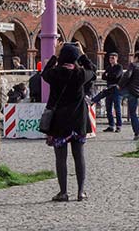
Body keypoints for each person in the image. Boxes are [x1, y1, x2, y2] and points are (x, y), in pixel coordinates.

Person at [41, 43, 96, 202]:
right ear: (75, 58)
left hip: (59, 123)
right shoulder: (81, 74)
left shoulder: (54, 74)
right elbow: (93, 70)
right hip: (78, 122)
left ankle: (63, 192)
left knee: (61, 158)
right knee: (79, 156)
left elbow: (44, 73)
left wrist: (55, 56)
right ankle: (81, 192)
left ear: (62, 58)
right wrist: (83, 54)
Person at [91, 52, 123, 132]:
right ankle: (111, 125)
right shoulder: (108, 67)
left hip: (116, 89)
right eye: (110, 58)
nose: (111, 59)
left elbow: (116, 76)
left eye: (113, 58)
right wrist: (109, 75)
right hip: (109, 88)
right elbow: (103, 76)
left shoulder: (119, 67)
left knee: (117, 108)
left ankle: (118, 126)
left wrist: (108, 75)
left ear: (116, 58)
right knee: (108, 108)